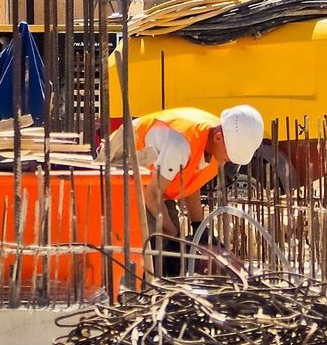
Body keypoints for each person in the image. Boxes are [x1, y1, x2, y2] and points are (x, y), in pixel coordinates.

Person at [110, 104, 264, 276]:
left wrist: (198, 226)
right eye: (229, 155)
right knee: (156, 238)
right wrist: (173, 234)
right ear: (219, 138)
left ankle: (165, 279)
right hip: (121, 167)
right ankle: (145, 287)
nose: (229, 160)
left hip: (155, 182)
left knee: (171, 240)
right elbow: (152, 195)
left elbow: (190, 184)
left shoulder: (214, 142)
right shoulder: (180, 145)